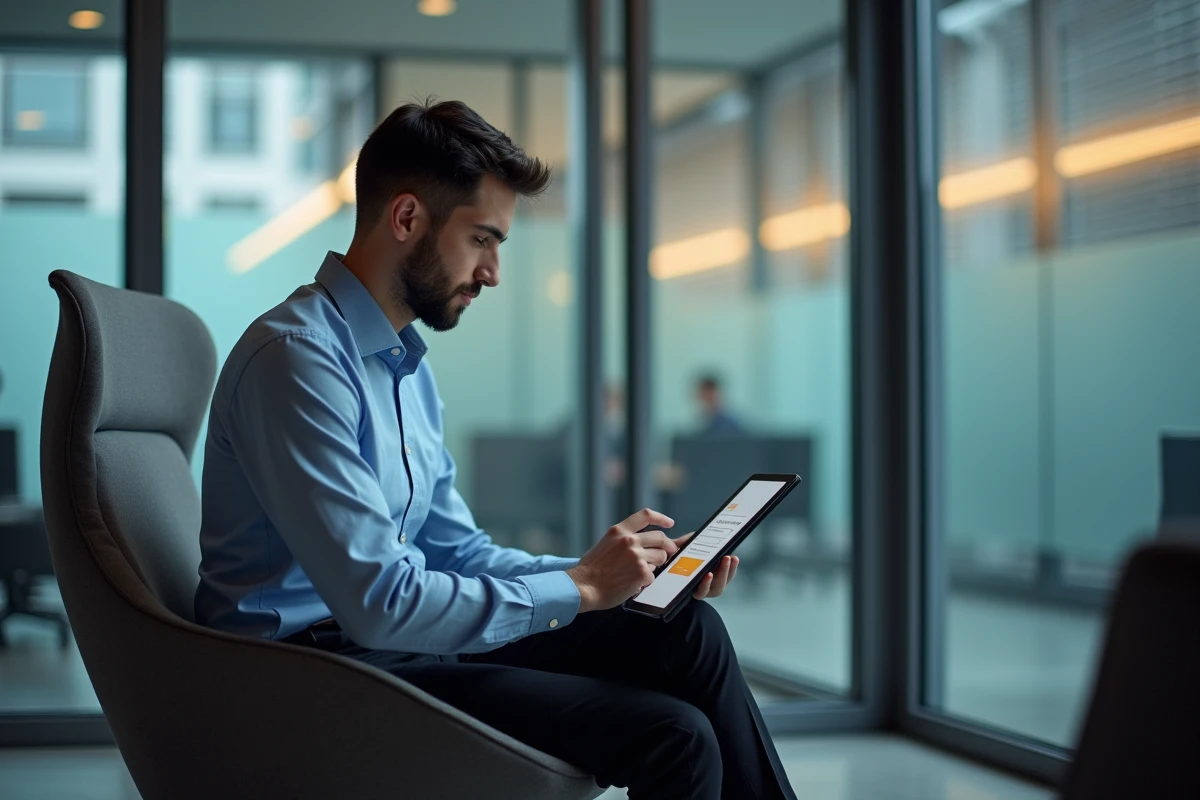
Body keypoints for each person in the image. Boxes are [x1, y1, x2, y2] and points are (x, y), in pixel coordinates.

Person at [194, 99, 796, 800]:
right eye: (483, 239)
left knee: (683, 627)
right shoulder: (296, 360)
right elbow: (380, 604)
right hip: (314, 674)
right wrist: (579, 590)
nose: (494, 271)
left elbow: (460, 553)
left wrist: (606, 573)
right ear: (408, 218)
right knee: (675, 734)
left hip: (389, 642)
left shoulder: (404, 368)